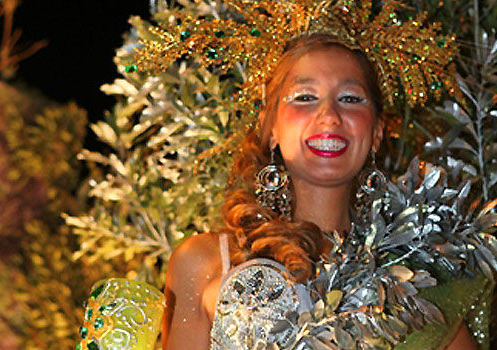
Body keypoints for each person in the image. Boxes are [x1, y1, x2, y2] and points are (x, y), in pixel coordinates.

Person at [161, 33, 479, 350]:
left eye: (350, 99)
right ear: (270, 128)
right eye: (304, 97)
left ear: (377, 132)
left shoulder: (413, 279)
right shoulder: (202, 262)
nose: (329, 116)